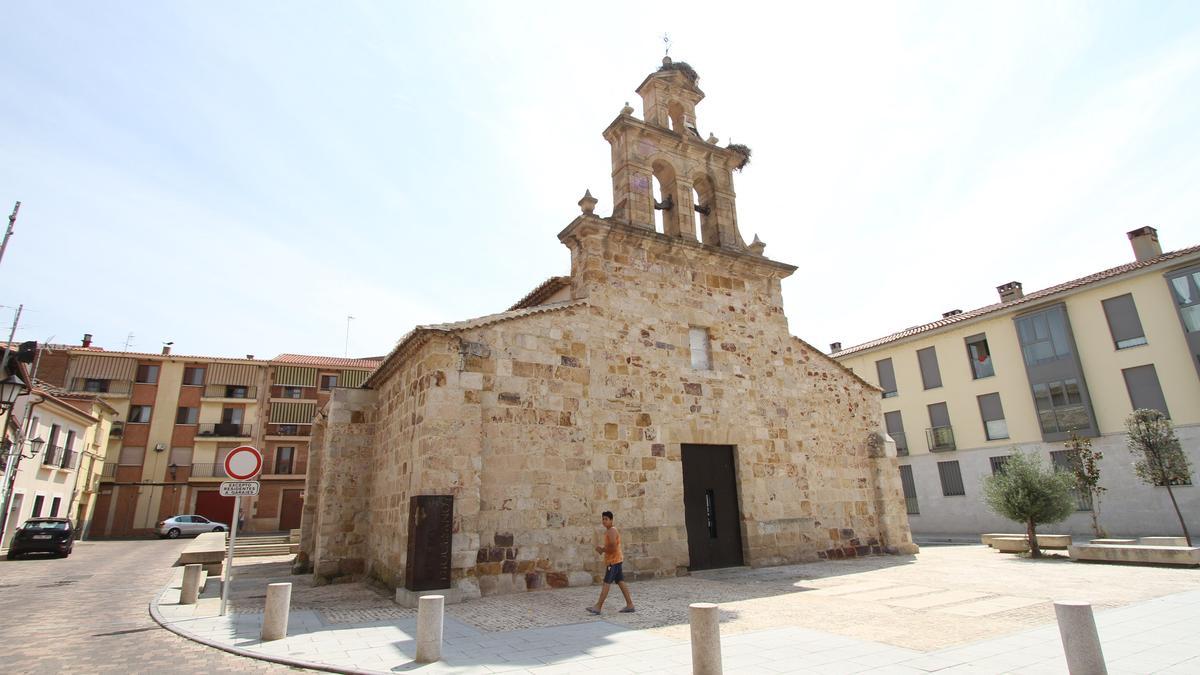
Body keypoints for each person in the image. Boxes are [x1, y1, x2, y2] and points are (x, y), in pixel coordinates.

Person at [587, 510, 634, 614]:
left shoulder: (611, 531)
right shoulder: (610, 530)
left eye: (606, 519)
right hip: (616, 560)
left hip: (613, 562)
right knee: (621, 582)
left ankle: (598, 607)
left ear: (611, 520)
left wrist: (602, 550)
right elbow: (612, 546)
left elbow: (613, 547)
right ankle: (630, 605)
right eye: (603, 519)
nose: (604, 521)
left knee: (606, 583)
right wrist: (603, 549)